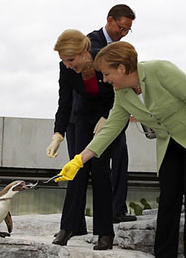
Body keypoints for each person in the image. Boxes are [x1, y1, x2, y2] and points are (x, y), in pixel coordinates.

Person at [54, 41, 186, 258]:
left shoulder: (160, 69)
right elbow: (111, 127)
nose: (104, 79)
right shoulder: (122, 94)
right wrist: (79, 160)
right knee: (168, 199)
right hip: (170, 139)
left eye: (107, 73)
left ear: (121, 68)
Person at [47, 29, 125, 250]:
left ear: (83, 52)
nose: (68, 65)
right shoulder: (66, 68)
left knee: (100, 170)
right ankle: (68, 227)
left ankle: (105, 233)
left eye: (71, 60)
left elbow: (120, 92)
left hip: (110, 117)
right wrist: (58, 134)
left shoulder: (105, 57)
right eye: (64, 61)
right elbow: (64, 101)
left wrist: (107, 117)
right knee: (77, 168)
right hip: (82, 119)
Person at [86, 4, 137, 223]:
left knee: (120, 160)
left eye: (128, 30)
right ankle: (104, 212)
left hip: (116, 112)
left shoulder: (118, 47)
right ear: (109, 20)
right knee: (97, 165)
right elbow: (93, 58)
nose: (123, 34)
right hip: (94, 116)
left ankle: (117, 209)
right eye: (121, 28)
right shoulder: (91, 42)